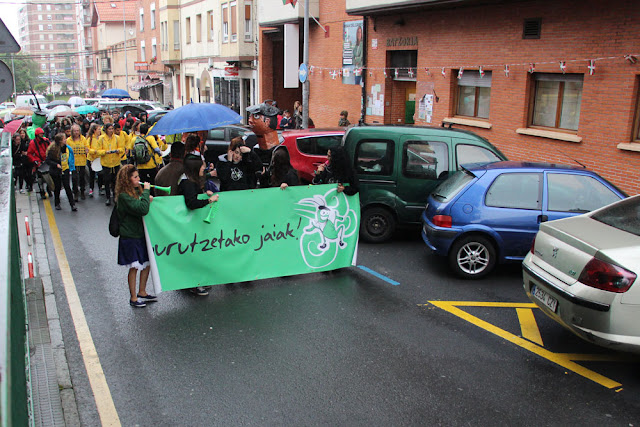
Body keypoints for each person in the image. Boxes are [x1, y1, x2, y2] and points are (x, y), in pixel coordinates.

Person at [114, 165, 156, 308]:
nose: (139, 179)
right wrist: (146, 192)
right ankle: (133, 297)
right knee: (134, 267)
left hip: (140, 234)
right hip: (130, 236)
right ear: (127, 179)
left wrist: (144, 196)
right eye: (135, 177)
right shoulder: (124, 196)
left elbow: (142, 204)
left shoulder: (133, 193)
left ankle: (142, 291)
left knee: (146, 263)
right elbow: (142, 209)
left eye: (138, 176)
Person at [177, 155, 218, 296]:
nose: (204, 168)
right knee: (193, 253)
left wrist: (204, 194)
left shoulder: (188, 180)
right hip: (189, 224)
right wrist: (208, 201)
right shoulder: (187, 183)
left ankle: (195, 282)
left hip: (191, 223)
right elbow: (191, 203)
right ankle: (194, 284)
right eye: (202, 166)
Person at [45, 133, 77, 211]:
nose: (65, 140)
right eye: (64, 139)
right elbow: (48, 160)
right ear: (60, 141)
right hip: (56, 171)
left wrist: (71, 167)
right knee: (57, 187)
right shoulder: (53, 149)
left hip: (65, 169)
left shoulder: (67, 148)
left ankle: (72, 204)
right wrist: (56, 165)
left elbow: (70, 158)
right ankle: (57, 203)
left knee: (67, 187)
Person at [97, 123, 125, 206]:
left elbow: (121, 148)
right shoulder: (101, 139)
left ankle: (115, 196)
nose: (111, 130)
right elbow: (98, 151)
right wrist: (105, 152)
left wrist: (117, 150)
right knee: (106, 181)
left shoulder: (117, 138)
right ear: (106, 130)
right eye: (109, 129)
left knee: (115, 181)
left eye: (112, 129)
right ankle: (108, 197)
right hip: (106, 163)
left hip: (115, 163)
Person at [27, 127, 51, 200]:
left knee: (49, 176)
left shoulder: (46, 141)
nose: (42, 135)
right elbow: (29, 153)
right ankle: (42, 191)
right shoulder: (32, 143)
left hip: (47, 161)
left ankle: (49, 188)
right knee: (40, 178)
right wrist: (35, 160)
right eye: (40, 134)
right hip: (39, 162)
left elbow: (51, 148)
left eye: (42, 134)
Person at [67, 124, 89, 201]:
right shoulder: (69, 140)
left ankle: (82, 191)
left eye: (77, 131)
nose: (76, 132)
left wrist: (87, 150)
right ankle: (75, 192)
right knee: (74, 178)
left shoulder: (83, 139)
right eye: (75, 131)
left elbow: (87, 147)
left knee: (82, 177)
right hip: (73, 162)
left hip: (82, 161)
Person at [86, 123, 102, 197]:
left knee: (100, 174)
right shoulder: (90, 139)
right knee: (91, 175)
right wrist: (94, 151)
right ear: (94, 130)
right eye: (99, 129)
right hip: (91, 159)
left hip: (99, 159)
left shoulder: (101, 138)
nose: (100, 130)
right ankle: (91, 189)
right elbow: (87, 148)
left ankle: (100, 188)